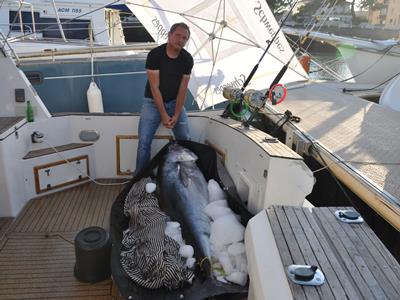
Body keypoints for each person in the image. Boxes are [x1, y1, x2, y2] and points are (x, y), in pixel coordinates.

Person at [135, 22, 194, 175]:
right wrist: (163, 114)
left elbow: (182, 89)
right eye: (178, 35)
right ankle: (139, 177)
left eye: (185, 38)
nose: (181, 40)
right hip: (152, 102)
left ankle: (188, 175)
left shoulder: (187, 59)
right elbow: (155, 88)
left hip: (175, 102)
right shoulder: (155, 55)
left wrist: (176, 113)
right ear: (169, 35)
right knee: (143, 142)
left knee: (185, 139)